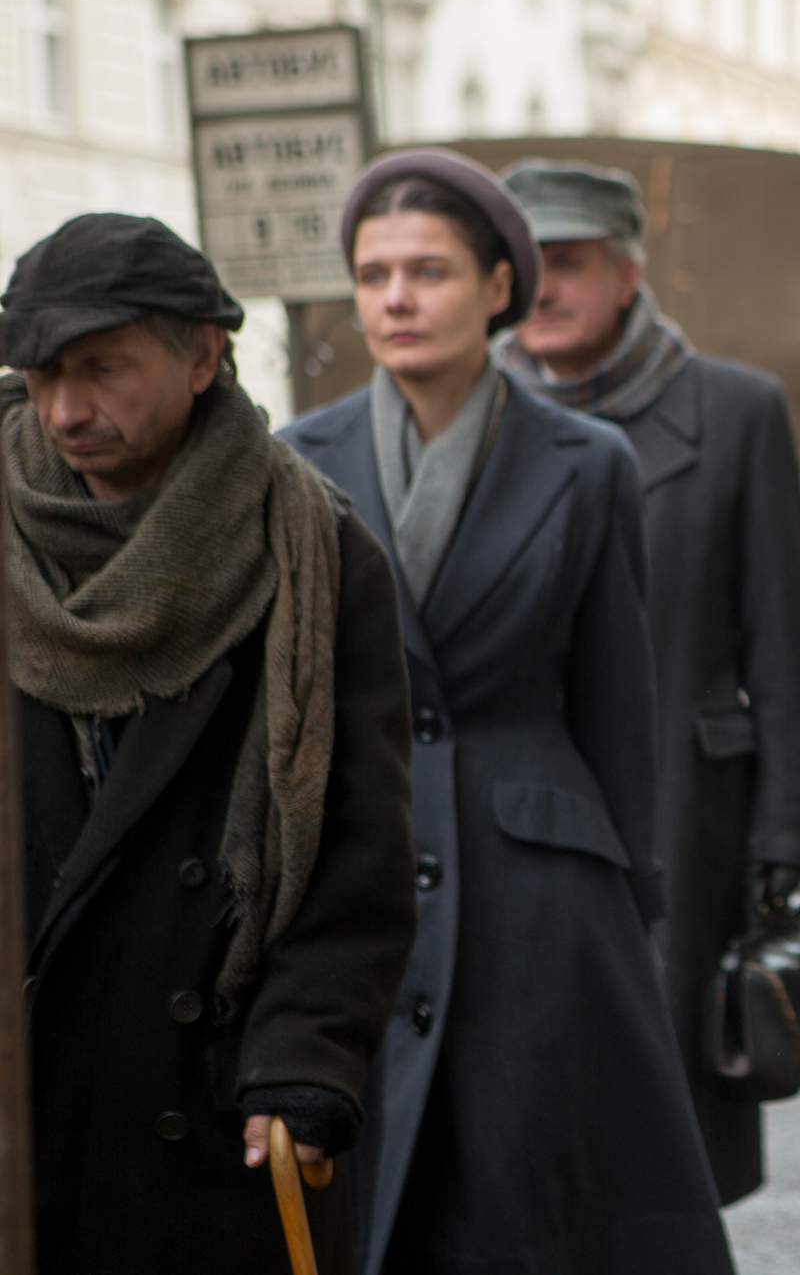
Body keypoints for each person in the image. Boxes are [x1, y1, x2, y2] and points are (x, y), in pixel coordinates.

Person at [279, 149, 733, 1275]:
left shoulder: (587, 463)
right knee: (392, 1195)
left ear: (497, 288)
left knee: (536, 1198)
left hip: (541, 887)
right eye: (374, 272)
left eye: (427, 270)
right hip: (366, 865)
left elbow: (617, 702)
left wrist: (633, 900)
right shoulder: (297, 462)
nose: (395, 297)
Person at [3, 214, 417, 1273]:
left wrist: (306, 1059)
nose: (64, 409)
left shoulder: (315, 551)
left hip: (208, 1106)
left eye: (102, 369)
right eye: (41, 372)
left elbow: (358, 847)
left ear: (202, 356)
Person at [492, 158, 800, 1205]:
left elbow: (780, 643)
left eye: (572, 263)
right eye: (527, 264)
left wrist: (780, 841)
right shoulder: (470, 415)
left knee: (669, 1128)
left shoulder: (734, 411)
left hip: (689, 825)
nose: (545, 287)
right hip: (523, 817)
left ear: (628, 273)